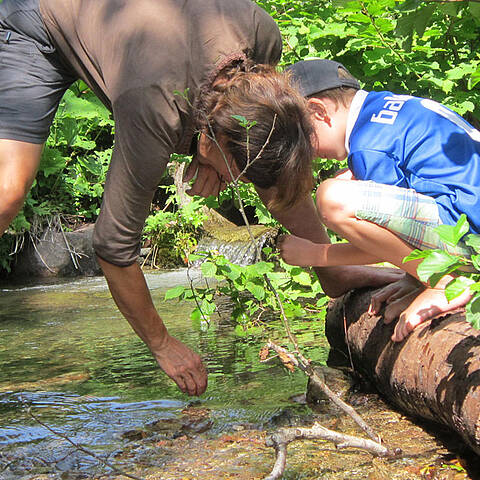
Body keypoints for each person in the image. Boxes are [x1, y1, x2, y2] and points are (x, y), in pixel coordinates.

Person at [0, 0, 401, 397]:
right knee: (8, 192)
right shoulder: (155, 106)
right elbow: (113, 246)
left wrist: (207, 154)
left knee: (265, 160)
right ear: (211, 135)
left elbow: (257, 135)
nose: (235, 184)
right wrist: (163, 344)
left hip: (144, 40)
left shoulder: (262, 36)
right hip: (41, 21)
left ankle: (332, 272)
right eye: (235, 173)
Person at [276, 59, 479, 342]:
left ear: (318, 111)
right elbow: (410, 227)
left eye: (299, 139)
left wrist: (316, 254)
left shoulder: (367, 146)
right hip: (466, 218)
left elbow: (387, 238)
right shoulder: (385, 108)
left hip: (471, 233)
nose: (306, 154)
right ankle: (427, 276)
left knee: (333, 197)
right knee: (346, 181)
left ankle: (445, 282)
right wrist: (411, 276)